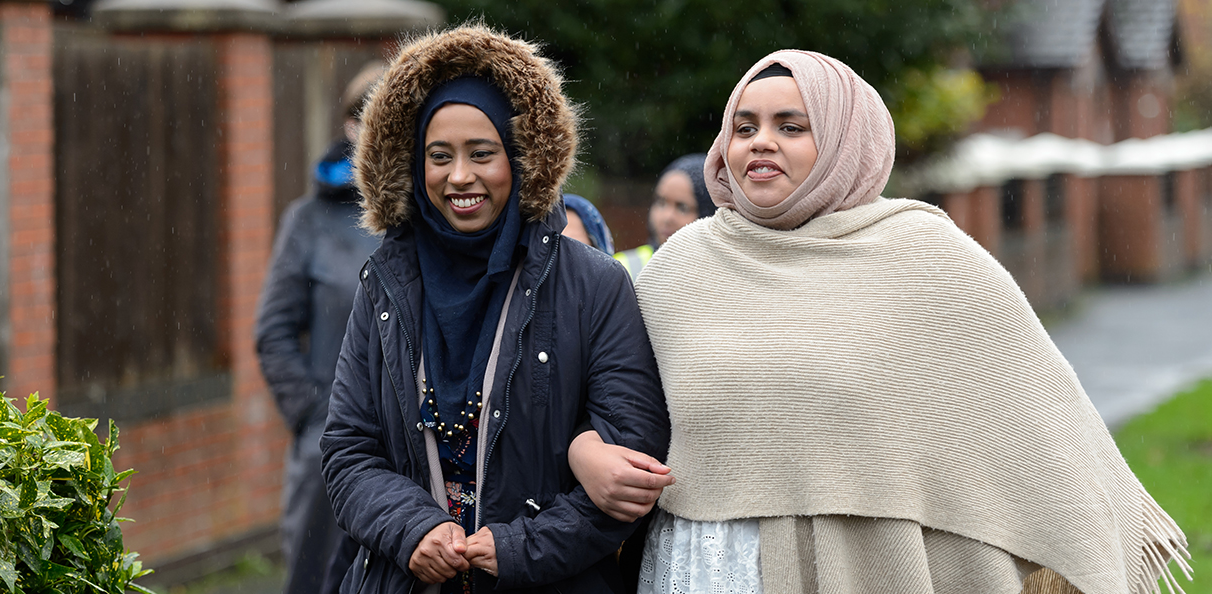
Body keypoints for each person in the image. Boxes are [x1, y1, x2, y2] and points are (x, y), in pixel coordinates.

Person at [570, 51, 1190, 594]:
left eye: (792, 126)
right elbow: (602, 401)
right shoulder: (680, 268)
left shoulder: (924, 255)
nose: (760, 142)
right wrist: (585, 451)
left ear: (845, 140)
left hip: (869, 566)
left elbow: (1035, 419)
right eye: (744, 126)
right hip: (700, 566)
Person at [320, 24, 670, 594]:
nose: (460, 176)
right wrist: (413, 531)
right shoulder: (385, 282)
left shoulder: (594, 285)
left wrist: (518, 548)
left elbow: (633, 462)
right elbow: (348, 450)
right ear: (413, 164)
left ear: (522, 156)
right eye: (440, 156)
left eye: (482, 153)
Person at [254, 61, 386, 594]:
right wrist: (316, 417)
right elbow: (273, 332)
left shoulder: (432, 218)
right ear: (352, 128)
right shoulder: (307, 220)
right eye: (370, 120)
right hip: (328, 451)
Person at [613, 154, 715, 280]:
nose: (667, 217)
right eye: (661, 202)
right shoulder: (622, 267)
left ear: (709, 214)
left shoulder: (724, 278)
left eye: (682, 208)